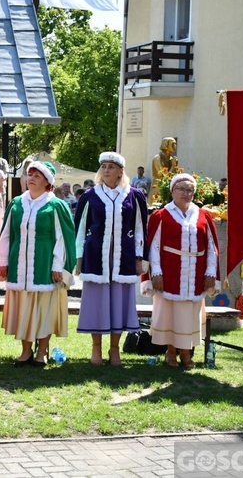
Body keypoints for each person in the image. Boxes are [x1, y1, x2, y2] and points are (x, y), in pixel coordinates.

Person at [0, 161, 76, 367]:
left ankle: (42, 352)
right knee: (23, 309)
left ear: (47, 182)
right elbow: (6, 235)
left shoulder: (55, 205)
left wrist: (58, 265)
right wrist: (3, 261)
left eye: (37, 176)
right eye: (29, 174)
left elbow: (62, 238)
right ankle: (25, 351)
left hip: (44, 264)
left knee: (43, 310)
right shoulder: (16, 204)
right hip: (19, 265)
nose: (31, 178)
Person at [74, 152, 148, 366]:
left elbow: (140, 229)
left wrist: (139, 257)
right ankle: (96, 349)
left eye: (111, 167)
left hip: (123, 258)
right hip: (96, 257)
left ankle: (114, 350)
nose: (106, 170)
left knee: (119, 304)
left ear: (120, 171)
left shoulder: (134, 196)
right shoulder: (90, 196)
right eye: (104, 166)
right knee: (96, 304)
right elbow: (80, 228)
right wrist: (79, 258)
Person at [142, 173, 219, 369]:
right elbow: (153, 246)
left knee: (189, 315)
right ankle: (171, 352)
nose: (186, 193)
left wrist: (211, 272)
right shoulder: (162, 215)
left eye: (189, 190)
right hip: (169, 272)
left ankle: (186, 353)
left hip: (195, 273)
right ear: (173, 191)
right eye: (181, 189)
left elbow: (211, 246)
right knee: (170, 313)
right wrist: (155, 272)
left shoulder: (203, 215)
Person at [150, 137, 179, 201]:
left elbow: (174, 175)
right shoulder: (157, 158)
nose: (175, 146)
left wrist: (175, 168)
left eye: (175, 144)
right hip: (158, 188)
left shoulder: (171, 159)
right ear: (166, 144)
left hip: (167, 188)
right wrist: (173, 167)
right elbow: (163, 176)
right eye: (172, 144)